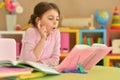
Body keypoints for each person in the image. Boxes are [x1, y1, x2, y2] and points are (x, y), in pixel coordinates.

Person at [19, 2, 61, 67]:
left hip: (46, 71)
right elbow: (29, 61)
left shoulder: (56, 33)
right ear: (38, 20)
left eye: (57, 19)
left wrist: (40, 63)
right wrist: (43, 39)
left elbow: (56, 60)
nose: (55, 22)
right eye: (50, 18)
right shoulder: (31, 32)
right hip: (27, 71)